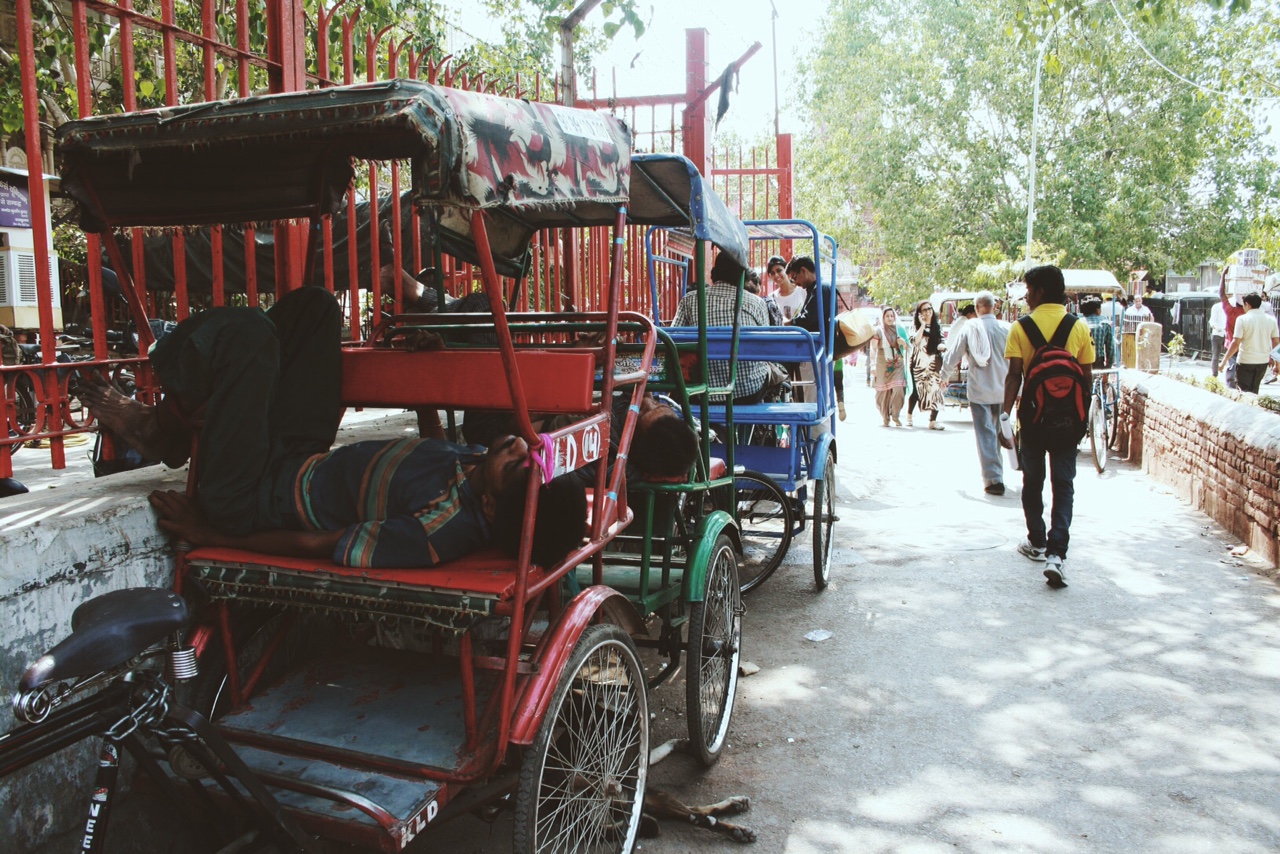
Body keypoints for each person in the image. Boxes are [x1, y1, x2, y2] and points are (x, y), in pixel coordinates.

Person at [81, 287, 586, 569]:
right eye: (532, 453)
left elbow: (318, 546)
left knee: (250, 337)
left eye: (518, 462)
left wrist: (211, 533)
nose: (522, 444)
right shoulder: (478, 470)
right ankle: (171, 425)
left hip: (250, 498)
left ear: (493, 506)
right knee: (317, 309)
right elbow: (432, 456)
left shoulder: (439, 533)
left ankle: (160, 423)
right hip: (300, 457)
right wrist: (432, 378)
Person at [1001, 265, 1094, 588]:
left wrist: (1004, 417)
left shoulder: (1021, 328)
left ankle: (1037, 541)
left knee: (1033, 480)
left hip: (1034, 418)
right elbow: (1086, 377)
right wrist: (1083, 419)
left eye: (1028, 290)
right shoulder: (1078, 327)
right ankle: (1057, 553)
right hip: (1069, 421)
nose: (1026, 296)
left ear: (1039, 291)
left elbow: (1014, 376)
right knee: (1064, 483)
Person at [672, 252, 776, 404]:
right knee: (772, 372)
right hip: (749, 391)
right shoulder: (756, 303)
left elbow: (673, 338)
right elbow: (766, 347)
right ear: (743, 275)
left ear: (715, 273)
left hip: (702, 391)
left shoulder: (690, 299)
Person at [942, 291, 1010, 493]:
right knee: (996, 430)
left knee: (986, 433)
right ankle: (997, 471)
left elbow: (952, 356)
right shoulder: (1007, 328)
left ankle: (994, 479)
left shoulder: (970, 328)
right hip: (1004, 389)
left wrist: (943, 375)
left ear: (978, 308)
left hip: (980, 389)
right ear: (994, 307)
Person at [1221, 292, 1280, 394]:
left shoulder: (1242, 319)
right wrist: (1277, 364)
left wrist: (1224, 361)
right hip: (1262, 362)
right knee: (1254, 390)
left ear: (1247, 304)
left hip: (1245, 361)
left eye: (1244, 305)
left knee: (1243, 392)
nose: (1243, 308)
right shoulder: (1271, 320)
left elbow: (1235, 342)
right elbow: (1276, 343)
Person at [907, 299, 945, 430]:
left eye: (930, 308)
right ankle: (909, 416)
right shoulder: (915, 326)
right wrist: (922, 325)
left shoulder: (937, 326)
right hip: (918, 364)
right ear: (919, 312)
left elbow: (942, 341)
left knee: (936, 391)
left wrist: (942, 347)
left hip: (933, 364)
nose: (928, 311)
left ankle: (933, 420)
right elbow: (915, 341)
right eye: (925, 309)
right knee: (917, 391)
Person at [872, 307, 910, 426]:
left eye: (892, 316)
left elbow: (908, 346)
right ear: (883, 318)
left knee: (899, 389)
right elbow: (873, 349)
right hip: (883, 364)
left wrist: (903, 343)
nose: (890, 318)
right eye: (887, 316)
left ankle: (895, 415)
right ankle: (885, 417)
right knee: (884, 392)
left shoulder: (899, 330)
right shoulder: (878, 331)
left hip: (898, 363)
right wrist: (872, 365)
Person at [1219, 266, 1247, 389]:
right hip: (1245, 347)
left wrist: (1223, 275)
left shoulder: (1231, 311)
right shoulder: (1248, 314)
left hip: (1231, 344)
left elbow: (1222, 294)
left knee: (1232, 366)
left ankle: (1231, 387)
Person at [766, 255, 806, 321]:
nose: (776, 275)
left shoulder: (802, 291)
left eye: (779, 270)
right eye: (772, 273)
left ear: (786, 270)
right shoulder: (771, 298)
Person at [1080, 298, 1114, 369]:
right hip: (1098, 358)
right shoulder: (1105, 323)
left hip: (1081, 359)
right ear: (1097, 310)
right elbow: (1110, 348)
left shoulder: (1079, 323)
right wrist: (1108, 367)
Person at [1209, 298, 1228, 379]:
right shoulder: (1217, 307)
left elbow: (1212, 322)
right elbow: (1212, 322)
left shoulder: (1216, 306)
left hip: (1220, 332)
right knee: (1217, 355)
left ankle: (1214, 375)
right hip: (1219, 332)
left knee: (1216, 355)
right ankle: (1214, 374)